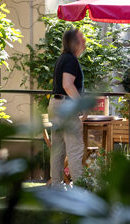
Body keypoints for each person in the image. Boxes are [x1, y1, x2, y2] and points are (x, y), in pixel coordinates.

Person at [49, 28, 86, 185]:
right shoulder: (71, 60)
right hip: (67, 106)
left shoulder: (62, 59)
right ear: (75, 43)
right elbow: (67, 85)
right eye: (82, 39)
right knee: (75, 150)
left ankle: (57, 189)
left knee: (57, 150)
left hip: (55, 104)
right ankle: (79, 190)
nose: (85, 42)